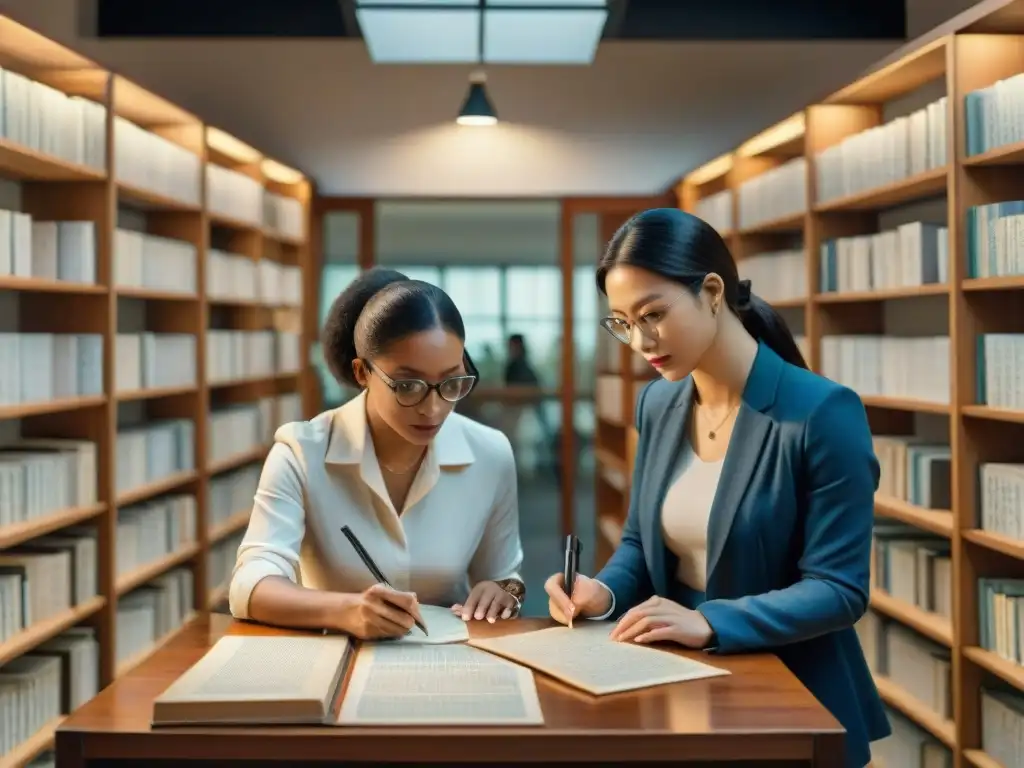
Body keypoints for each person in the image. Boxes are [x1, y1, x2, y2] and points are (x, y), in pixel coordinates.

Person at [544, 208, 889, 768]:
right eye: (623, 323)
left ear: (711, 291)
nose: (639, 342)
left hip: (785, 689)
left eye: (653, 314)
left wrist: (710, 622)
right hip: (670, 678)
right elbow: (639, 542)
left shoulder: (823, 413)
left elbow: (839, 588)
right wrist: (602, 593)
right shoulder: (659, 402)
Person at [229, 267, 526, 640]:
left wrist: (504, 592)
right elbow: (249, 583)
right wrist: (344, 610)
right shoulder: (301, 452)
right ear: (362, 372)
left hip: (449, 662)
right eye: (407, 385)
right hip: (338, 659)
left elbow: (505, 575)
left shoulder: (490, 452)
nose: (433, 408)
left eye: (451, 382)